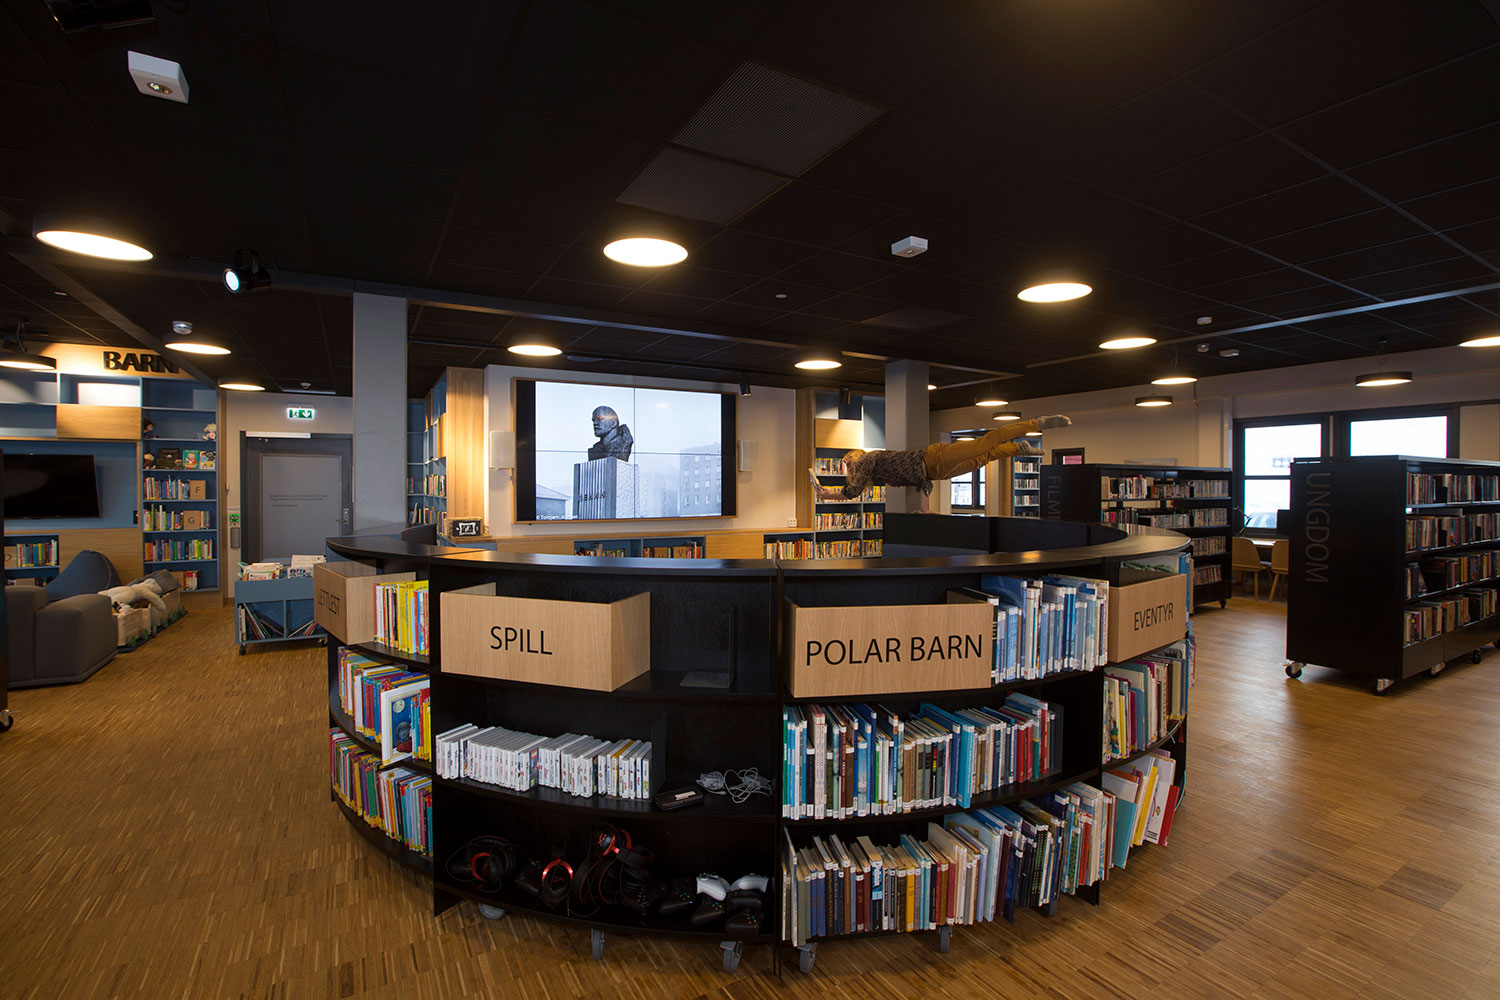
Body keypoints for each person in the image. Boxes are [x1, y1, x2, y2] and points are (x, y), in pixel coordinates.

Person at [812, 415, 1072, 513]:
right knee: (983, 459)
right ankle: (1018, 449)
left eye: (847, 461)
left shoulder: (868, 459)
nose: (849, 467)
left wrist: (828, 494)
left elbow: (853, 491)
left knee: (985, 443)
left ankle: (1037, 423)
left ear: (855, 457)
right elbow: (921, 481)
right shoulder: (879, 475)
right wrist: (924, 510)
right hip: (937, 472)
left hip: (934, 457)